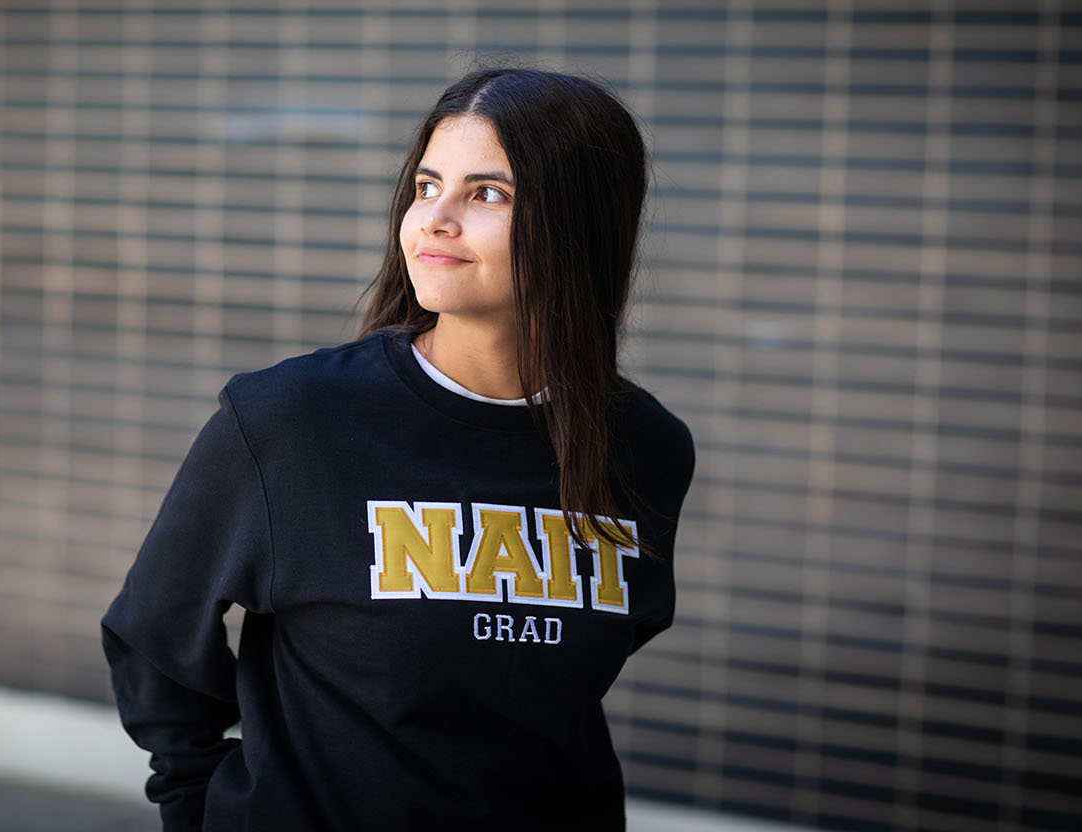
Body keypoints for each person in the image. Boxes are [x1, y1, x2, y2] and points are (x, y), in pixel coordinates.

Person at [101, 67, 696, 831]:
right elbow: (153, 638)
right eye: (425, 186)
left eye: (487, 194)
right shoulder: (293, 423)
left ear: (580, 224)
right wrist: (201, 810)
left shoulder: (648, 449)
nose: (433, 220)